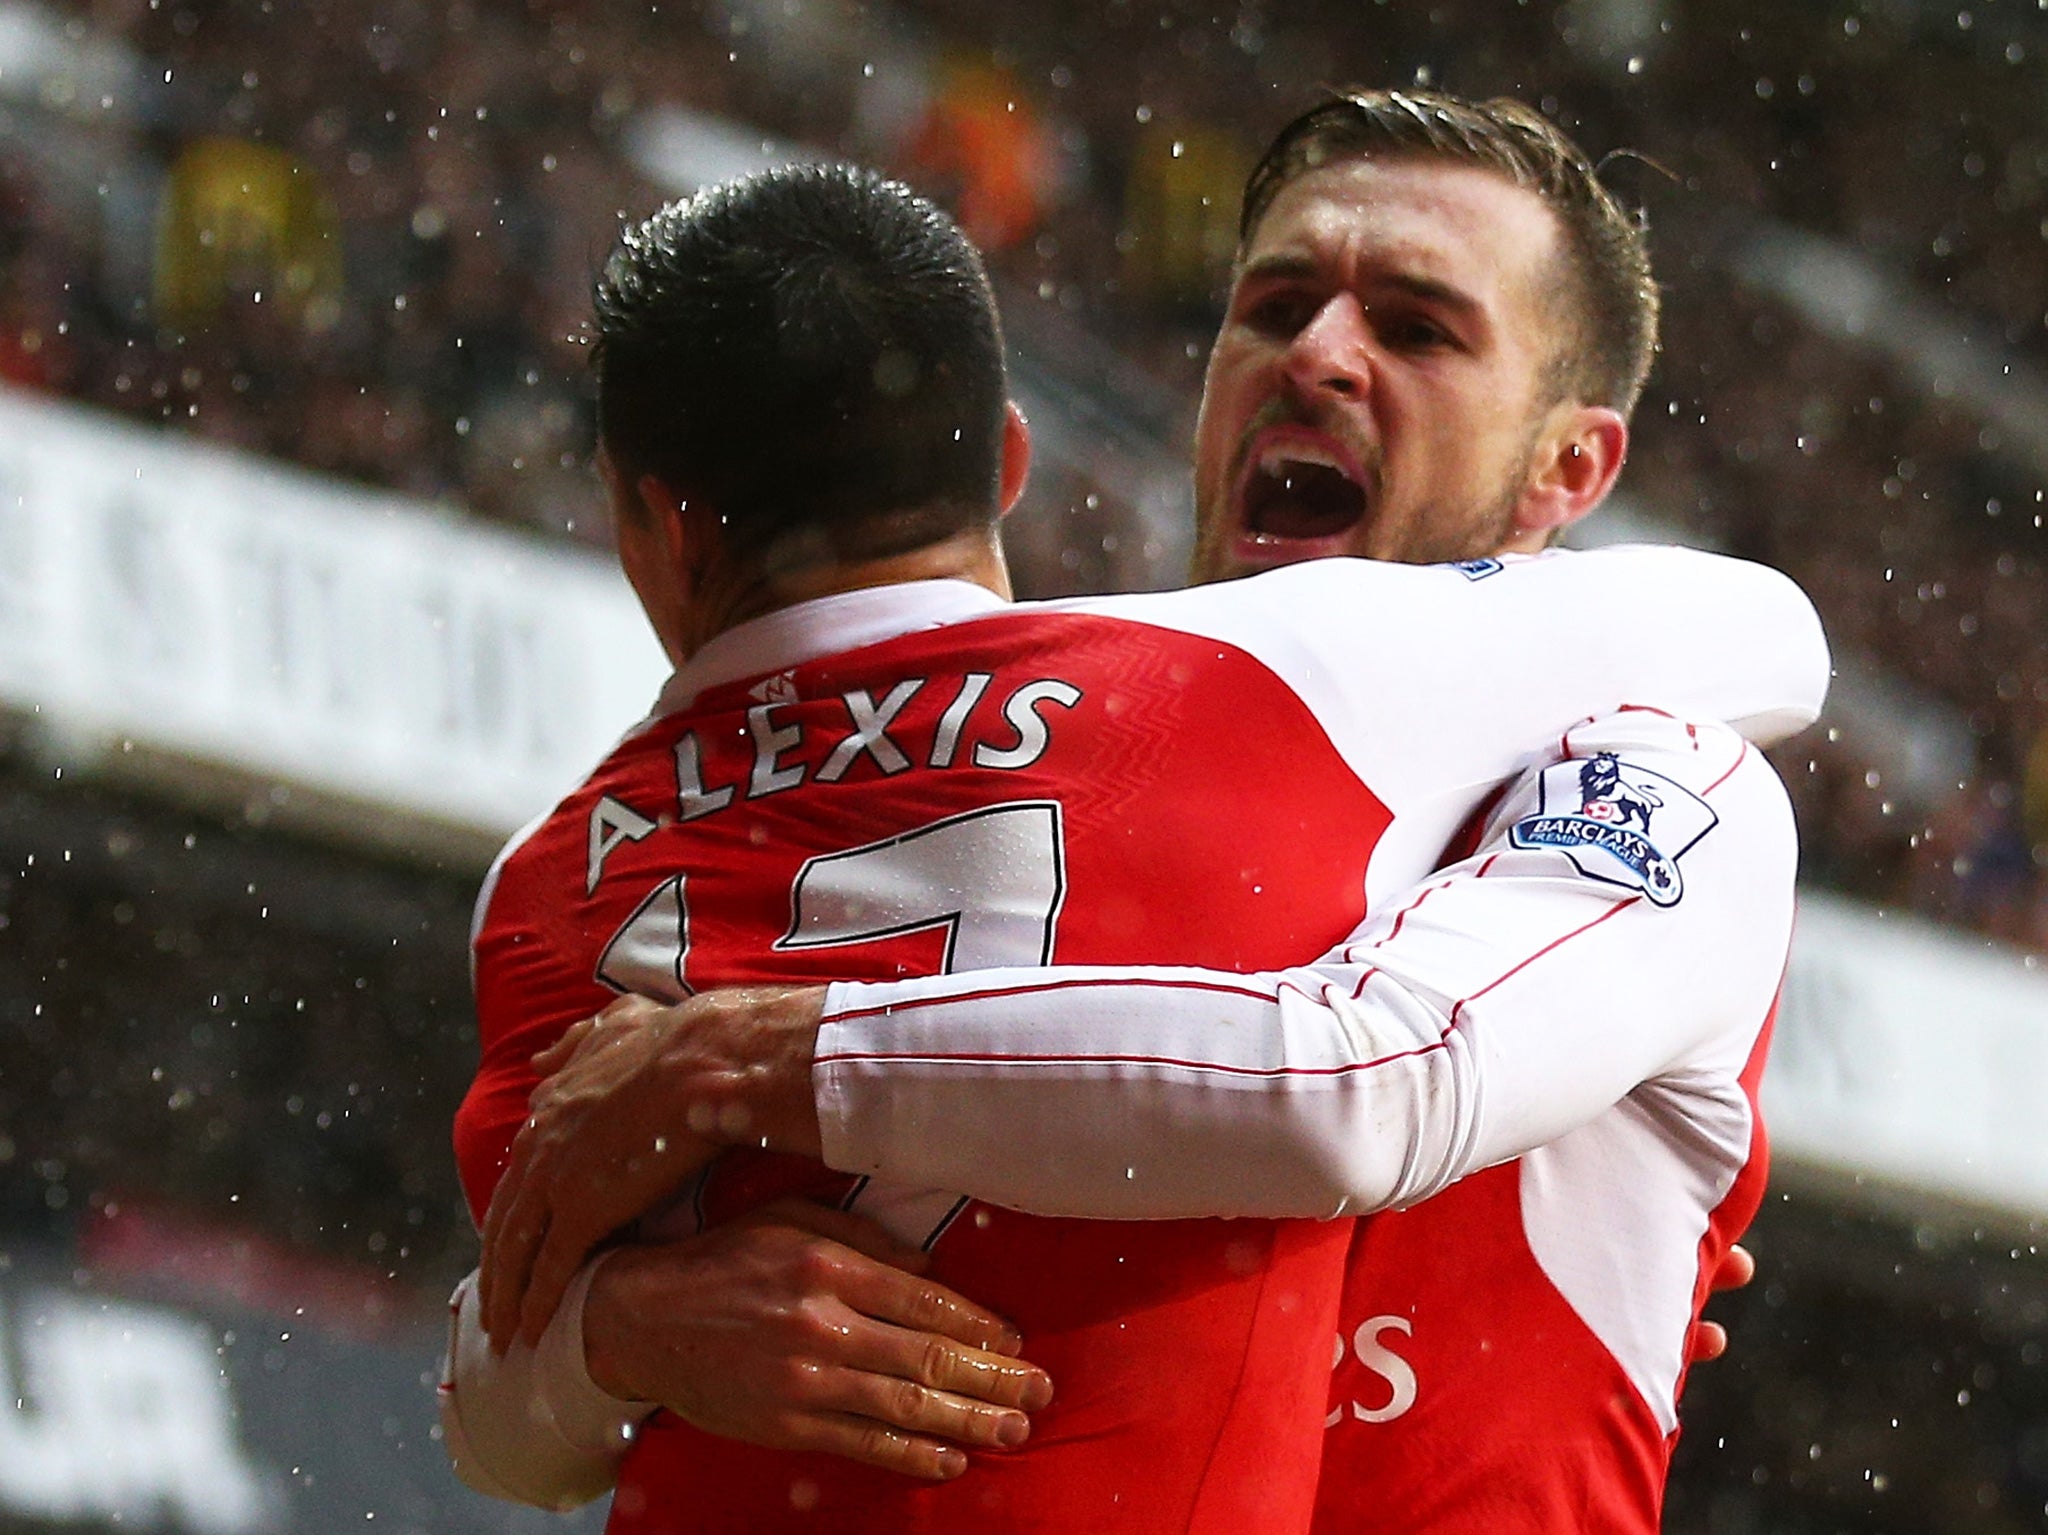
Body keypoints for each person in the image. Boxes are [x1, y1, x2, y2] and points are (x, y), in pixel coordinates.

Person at [447, 95, 1823, 1532]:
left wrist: (736, 1060)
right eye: (1275, 306)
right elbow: (502, 1397)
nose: (1317, 355)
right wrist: (615, 1333)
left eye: (1418, 331)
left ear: (1572, 469)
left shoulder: (1666, 780)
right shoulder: (1091, 752)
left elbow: (1366, 1089)